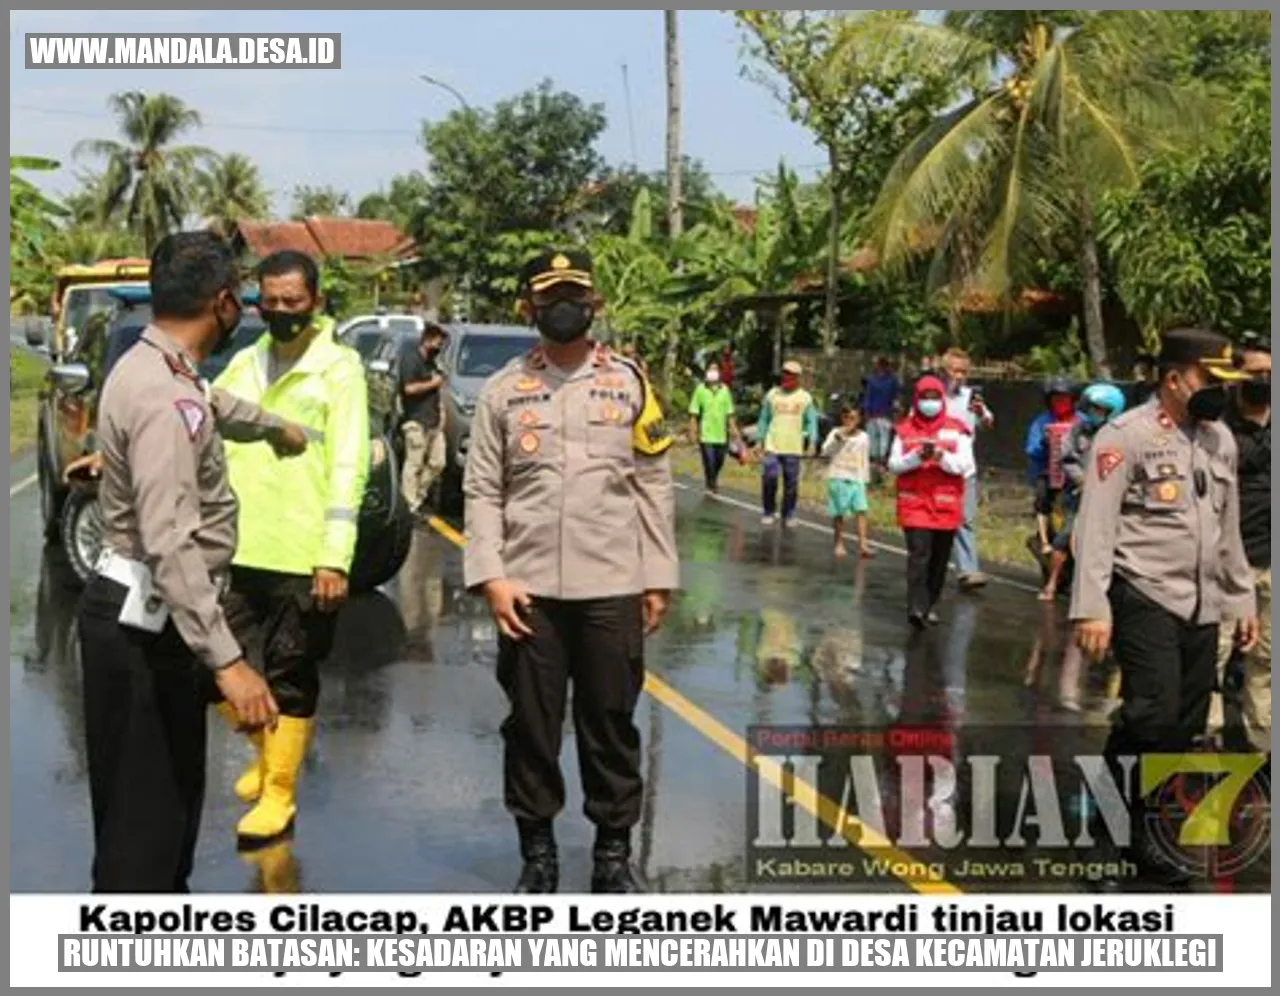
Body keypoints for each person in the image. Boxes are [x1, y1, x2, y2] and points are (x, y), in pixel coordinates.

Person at [76, 231, 308, 893]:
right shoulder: (163, 396)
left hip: (149, 619)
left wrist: (277, 427)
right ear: (223, 302)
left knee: (162, 816)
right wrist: (229, 663)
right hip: (145, 624)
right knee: (143, 842)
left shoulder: (160, 369)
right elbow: (170, 541)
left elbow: (214, 407)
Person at [463, 249, 679, 894]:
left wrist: (658, 575)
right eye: (548, 298)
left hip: (613, 584)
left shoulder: (630, 385)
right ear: (527, 308)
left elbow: (653, 482)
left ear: (594, 305)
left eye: (574, 297)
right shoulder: (503, 391)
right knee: (531, 727)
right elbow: (483, 490)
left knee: (609, 723)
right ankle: (538, 854)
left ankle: (612, 855)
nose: (563, 308)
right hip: (527, 590)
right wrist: (492, 577)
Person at [1070, 327, 1258, 883]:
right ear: (1174, 379)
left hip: (1202, 601)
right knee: (1151, 715)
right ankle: (1112, 833)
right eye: (1210, 379)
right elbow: (1096, 526)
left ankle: (1139, 830)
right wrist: (1092, 608)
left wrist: (1242, 597)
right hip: (1143, 591)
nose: (1222, 391)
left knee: (1183, 724)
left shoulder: (1220, 440)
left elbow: (1228, 529)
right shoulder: (1124, 437)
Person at [212, 249, 370, 847]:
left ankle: (279, 792)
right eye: (269, 302)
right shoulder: (246, 360)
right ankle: (268, 749)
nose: (280, 312)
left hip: (304, 550)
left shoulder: (340, 369)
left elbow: (350, 462)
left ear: (316, 302)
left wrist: (334, 555)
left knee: (291, 671)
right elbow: (202, 419)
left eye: (292, 302)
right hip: (241, 542)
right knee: (215, 664)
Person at [1208, 336, 1270, 752]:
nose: (1263, 381)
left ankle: (1262, 743)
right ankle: (1204, 741)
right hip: (1226, 561)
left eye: (1270, 374)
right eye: (1255, 373)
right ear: (1235, 377)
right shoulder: (1216, 427)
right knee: (1213, 653)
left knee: (1267, 660)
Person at [887, 374, 975, 628]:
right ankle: (915, 606)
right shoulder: (904, 429)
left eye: (934, 397)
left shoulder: (957, 429)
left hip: (945, 505)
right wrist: (915, 457)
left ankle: (931, 604)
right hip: (914, 504)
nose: (930, 402)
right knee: (918, 555)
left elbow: (964, 465)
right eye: (924, 397)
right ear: (916, 399)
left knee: (939, 558)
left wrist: (940, 457)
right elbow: (894, 465)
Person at [1039, 382, 1127, 603]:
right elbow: (1067, 459)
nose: (1093, 412)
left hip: (1110, 497)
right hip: (1079, 493)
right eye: (1092, 407)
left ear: (1111, 410)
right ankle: (1052, 582)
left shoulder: (1122, 435)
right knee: (1065, 536)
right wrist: (1083, 481)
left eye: (1099, 408)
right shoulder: (1078, 430)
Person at [941, 347, 993, 590]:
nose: (959, 376)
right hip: (939, 466)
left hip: (964, 468)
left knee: (965, 518)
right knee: (940, 519)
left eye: (963, 371)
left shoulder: (972, 397)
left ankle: (968, 570)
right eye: (955, 371)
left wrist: (981, 412)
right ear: (944, 371)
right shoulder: (933, 396)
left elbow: (988, 422)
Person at [756, 359, 819, 527]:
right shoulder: (772, 394)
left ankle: (788, 513)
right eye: (784, 373)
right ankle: (769, 510)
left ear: (797, 377)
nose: (786, 377)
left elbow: (811, 422)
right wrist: (759, 440)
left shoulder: (805, 398)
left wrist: (812, 442)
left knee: (791, 483)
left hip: (793, 446)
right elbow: (764, 419)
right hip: (773, 444)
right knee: (769, 477)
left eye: (790, 374)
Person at [1025, 376, 1080, 559]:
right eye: (1056, 399)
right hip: (1048, 472)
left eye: (1064, 399)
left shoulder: (1082, 420)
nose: (1060, 403)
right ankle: (1044, 540)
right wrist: (1044, 444)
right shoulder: (1042, 422)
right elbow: (1031, 449)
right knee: (1042, 498)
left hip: (1077, 474)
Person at [398, 322, 448, 517]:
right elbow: (409, 388)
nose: (439, 347)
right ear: (427, 339)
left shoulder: (432, 362)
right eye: (437, 342)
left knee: (438, 462)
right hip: (415, 420)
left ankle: (419, 496)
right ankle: (409, 504)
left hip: (433, 420)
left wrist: (442, 412)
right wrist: (433, 383)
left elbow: (438, 390)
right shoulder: (411, 359)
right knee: (414, 463)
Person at [821, 404, 874, 560]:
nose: (849, 421)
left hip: (857, 477)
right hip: (839, 476)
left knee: (861, 510)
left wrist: (865, 479)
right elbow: (826, 451)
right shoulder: (835, 433)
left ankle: (863, 544)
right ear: (842, 418)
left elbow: (864, 459)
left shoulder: (864, 437)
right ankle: (838, 543)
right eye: (846, 417)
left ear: (859, 419)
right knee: (840, 513)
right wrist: (838, 439)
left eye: (853, 418)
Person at [688, 362, 739, 494]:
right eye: (710, 369)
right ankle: (711, 483)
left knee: (719, 460)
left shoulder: (724, 390)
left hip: (721, 434)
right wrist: (692, 431)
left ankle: (713, 478)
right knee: (709, 461)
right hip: (706, 433)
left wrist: (733, 429)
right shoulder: (700, 389)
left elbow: (729, 412)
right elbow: (694, 413)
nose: (713, 372)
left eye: (715, 369)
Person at [862, 355, 900, 468]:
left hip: (884, 413)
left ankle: (879, 460)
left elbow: (895, 397)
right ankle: (876, 460)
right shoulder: (874, 379)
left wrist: (895, 411)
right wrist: (866, 411)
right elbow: (868, 396)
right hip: (876, 413)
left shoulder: (891, 380)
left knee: (881, 437)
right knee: (877, 437)